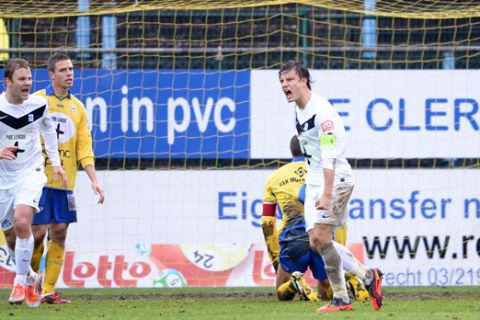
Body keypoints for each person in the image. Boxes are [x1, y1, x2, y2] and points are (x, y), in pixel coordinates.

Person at [278, 61, 383, 313]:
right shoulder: (298, 110)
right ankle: (367, 277)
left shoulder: (322, 113)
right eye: (282, 81)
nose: (285, 85)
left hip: (334, 178)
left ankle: (342, 296)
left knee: (319, 237)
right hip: (315, 178)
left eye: (289, 80)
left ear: (304, 80)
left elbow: (329, 156)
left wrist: (326, 193)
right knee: (317, 242)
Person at [30, 53, 105, 304]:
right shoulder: (36, 100)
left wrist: (94, 179)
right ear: (51, 74)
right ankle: (29, 282)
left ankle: (48, 289)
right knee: (38, 233)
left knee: (60, 233)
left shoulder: (79, 108)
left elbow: (84, 148)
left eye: (71, 69)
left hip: (64, 183)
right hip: (37, 180)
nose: (69, 74)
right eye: (63, 70)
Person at [261, 136, 369, 302]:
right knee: (326, 288)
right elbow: (339, 219)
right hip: (322, 237)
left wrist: (276, 258)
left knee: (282, 290)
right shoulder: (325, 174)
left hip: (293, 239)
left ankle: (294, 283)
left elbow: (267, 223)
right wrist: (336, 252)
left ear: (292, 150)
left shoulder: (275, 178)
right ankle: (349, 280)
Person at [0, 58, 68, 307]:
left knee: (21, 221)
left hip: (31, 172)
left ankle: (19, 281)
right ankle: (30, 277)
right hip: (3, 178)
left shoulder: (38, 105)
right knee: (10, 237)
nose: (27, 83)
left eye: (29, 78)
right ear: (7, 82)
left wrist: (57, 163)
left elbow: (49, 130)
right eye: (21, 79)